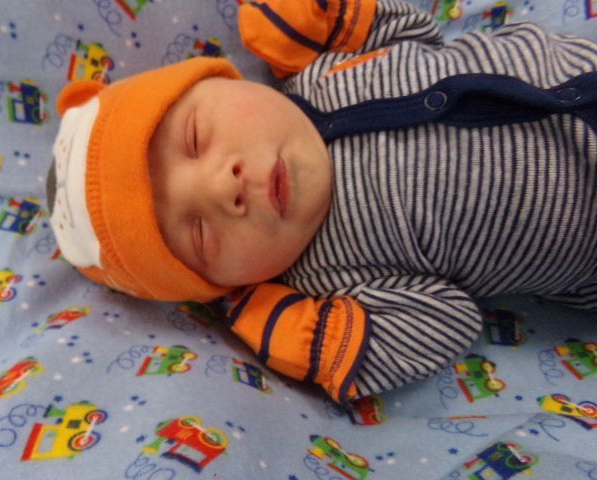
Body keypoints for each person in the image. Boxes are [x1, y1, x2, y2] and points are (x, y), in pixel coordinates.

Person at [47, 0, 597, 404]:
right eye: (199, 232)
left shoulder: (319, 73)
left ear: (222, 78)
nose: (221, 188)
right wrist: (314, 341)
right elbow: (449, 320)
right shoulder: (327, 277)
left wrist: (332, 21)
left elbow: (417, 35)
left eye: (194, 137)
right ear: (225, 286)